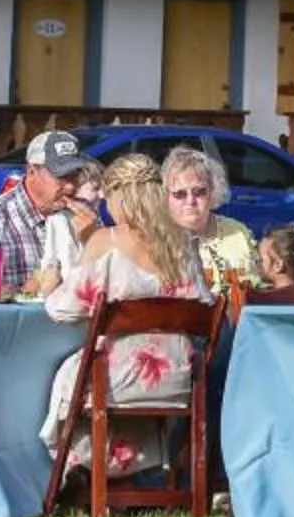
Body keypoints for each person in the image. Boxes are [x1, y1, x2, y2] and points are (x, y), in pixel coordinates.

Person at [42, 154, 206, 478]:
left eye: (107, 196)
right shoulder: (184, 243)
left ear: (120, 196)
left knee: (65, 373)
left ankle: (86, 470)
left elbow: (63, 310)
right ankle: (133, 473)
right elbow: (204, 303)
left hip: (118, 379)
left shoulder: (108, 241)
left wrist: (50, 286)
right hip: (179, 376)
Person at [0, 128, 100, 299]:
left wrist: (91, 240)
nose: (70, 186)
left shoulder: (84, 215)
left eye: (74, 175)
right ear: (32, 172)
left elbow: (105, 284)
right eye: (61, 176)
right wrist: (31, 290)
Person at [159, 144, 255, 279]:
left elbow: (254, 287)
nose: (190, 201)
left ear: (213, 192)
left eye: (199, 192)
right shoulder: (155, 239)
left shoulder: (237, 232)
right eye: (180, 193)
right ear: (166, 196)